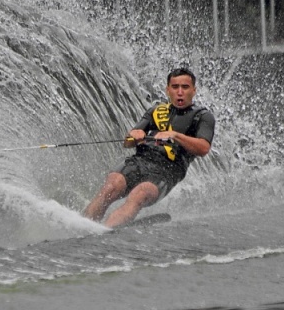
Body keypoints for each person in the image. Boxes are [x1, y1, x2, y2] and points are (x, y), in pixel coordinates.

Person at [83, 68, 215, 228]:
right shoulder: (156, 111)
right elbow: (127, 143)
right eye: (175, 87)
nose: (180, 92)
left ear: (194, 90)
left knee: (140, 193)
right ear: (168, 90)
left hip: (167, 171)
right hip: (139, 161)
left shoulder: (202, 116)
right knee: (111, 186)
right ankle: (83, 227)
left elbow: (203, 148)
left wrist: (175, 135)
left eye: (185, 87)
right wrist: (134, 135)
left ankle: (103, 231)